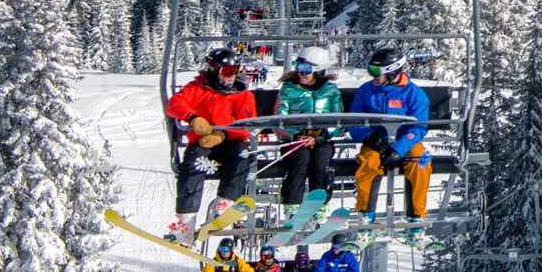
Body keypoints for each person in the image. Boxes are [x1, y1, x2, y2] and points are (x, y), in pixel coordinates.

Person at [166, 48, 258, 228]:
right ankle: (186, 222)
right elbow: (174, 104)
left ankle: (224, 203)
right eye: (227, 72)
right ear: (214, 70)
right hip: (203, 144)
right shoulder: (197, 88)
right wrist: (193, 117)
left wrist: (223, 134)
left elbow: (248, 126)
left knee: (243, 153)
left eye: (235, 71)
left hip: (231, 144)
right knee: (194, 162)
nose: (231, 76)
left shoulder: (242, 94)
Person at [350, 47, 435, 217]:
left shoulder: (413, 94)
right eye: (370, 71)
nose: (373, 77)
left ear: (391, 72)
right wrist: (367, 136)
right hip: (377, 141)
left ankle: (416, 216)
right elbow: (354, 120)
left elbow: (418, 127)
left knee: (420, 162)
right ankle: (365, 214)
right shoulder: (366, 91)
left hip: (405, 140)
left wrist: (399, 149)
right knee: (368, 162)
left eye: (376, 72)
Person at [275, 47, 347, 202]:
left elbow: (338, 121)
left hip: (321, 141)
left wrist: (321, 135)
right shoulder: (288, 89)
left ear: (318, 70)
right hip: (294, 141)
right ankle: (291, 205)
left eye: (306, 69)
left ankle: (318, 205)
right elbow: (278, 120)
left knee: (320, 161)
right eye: (298, 67)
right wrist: (295, 135)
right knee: (300, 158)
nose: (300, 73)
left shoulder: (330, 91)